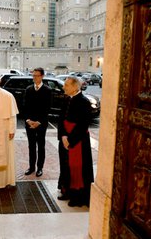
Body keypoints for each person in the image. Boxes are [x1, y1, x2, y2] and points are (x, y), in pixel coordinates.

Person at [57, 76, 94, 207]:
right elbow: (60, 119)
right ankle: (66, 191)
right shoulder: (66, 99)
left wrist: (70, 140)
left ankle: (78, 197)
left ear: (74, 87)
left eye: (66, 85)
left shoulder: (84, 102)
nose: (63, 87)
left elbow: (83, 125)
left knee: (77, 168)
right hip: (65, 138)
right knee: (65, 166)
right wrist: (62, 136)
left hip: (78, 141)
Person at [23, 67, 52, 177]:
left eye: (36, 75)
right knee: (31, 146)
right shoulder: (28, 89)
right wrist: (28, 120)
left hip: (41, 123)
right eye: (33, 75)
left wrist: (38, 121)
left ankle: (40, 168)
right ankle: (31, 167)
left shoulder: (47, 90)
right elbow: (25, 106)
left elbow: (47, 108)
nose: (34, 77)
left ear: (42, 76)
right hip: (29, 123)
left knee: (41, 146)